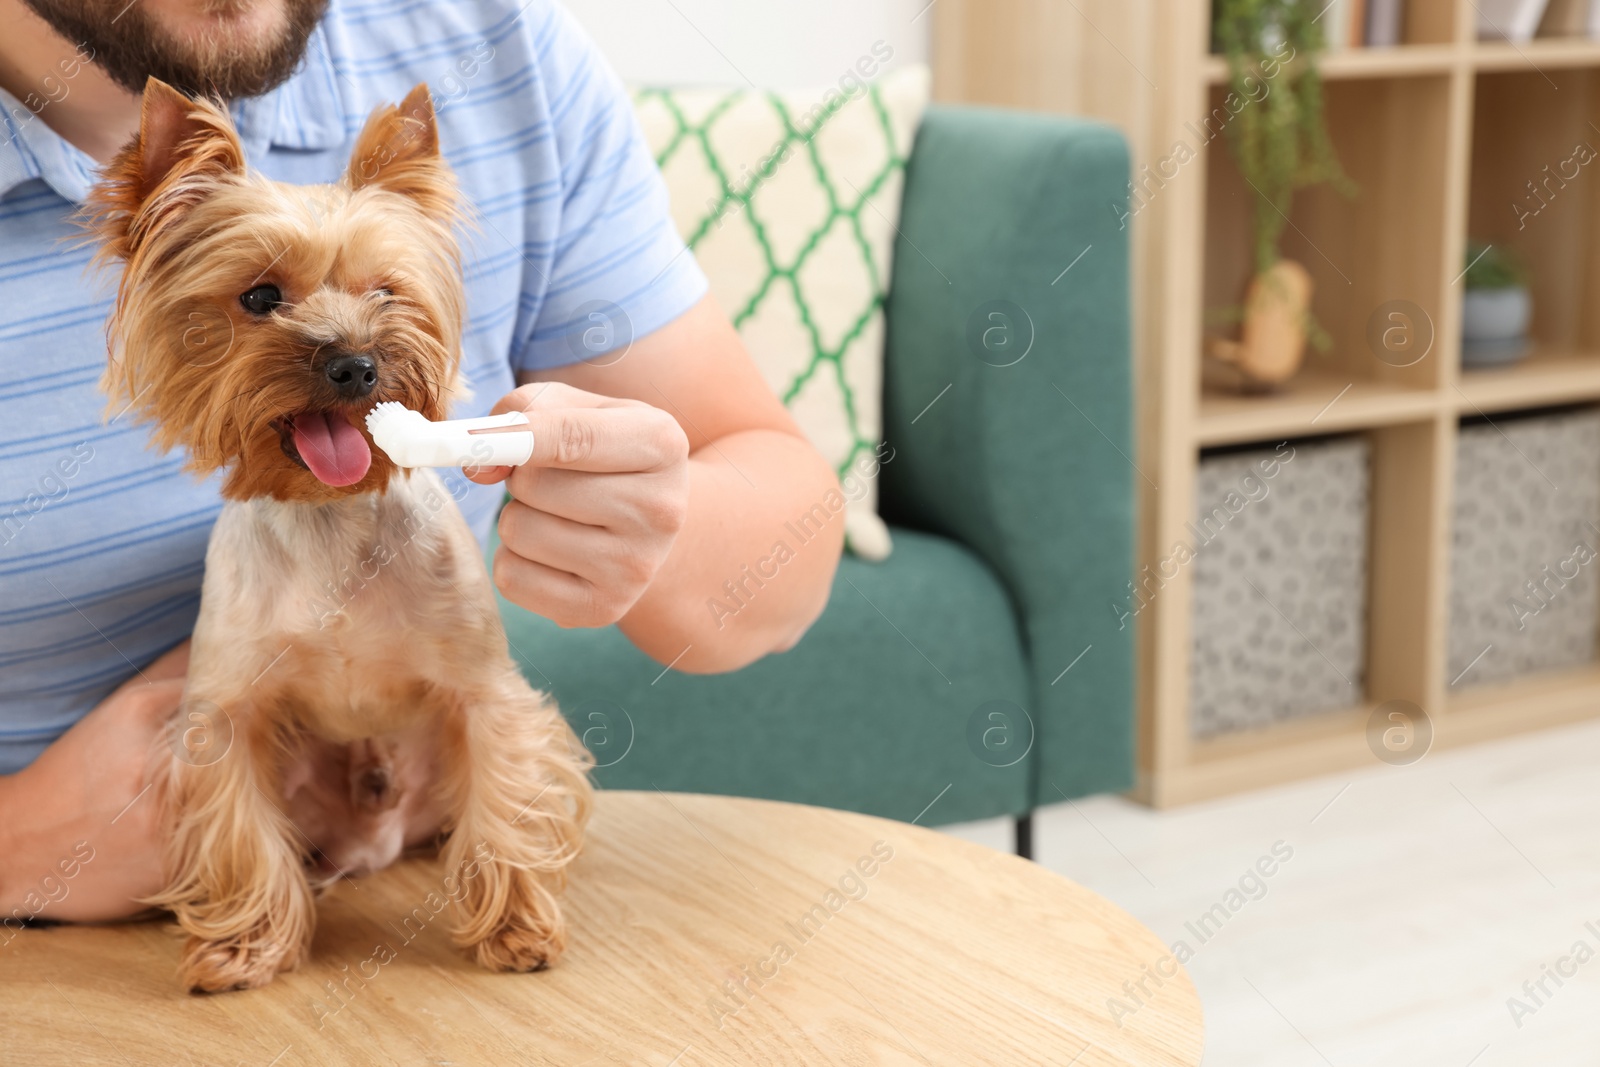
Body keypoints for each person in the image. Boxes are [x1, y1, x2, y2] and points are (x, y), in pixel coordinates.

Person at [0, 0, 843, 924]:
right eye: (264, 297)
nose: (348, 356)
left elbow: (783, 548)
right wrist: (23, 842)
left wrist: (660, 521)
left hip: (407, 916)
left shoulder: (495, 42)